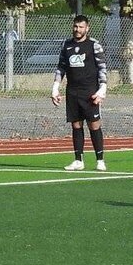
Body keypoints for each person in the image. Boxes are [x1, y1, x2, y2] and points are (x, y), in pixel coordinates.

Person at [49, 15, 107, 171]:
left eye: (81, 27)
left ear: (87, 28)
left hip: (90, 92)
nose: (78, 29)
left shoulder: (94, 45)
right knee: (76, 125)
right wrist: (55, 87)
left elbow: (102, 68)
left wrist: (102, 89)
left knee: (94, 125)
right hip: (73, 91)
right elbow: (61, 67)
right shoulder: (66, 45)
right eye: (75, 26)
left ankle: (100, 160)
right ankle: (78, 160)